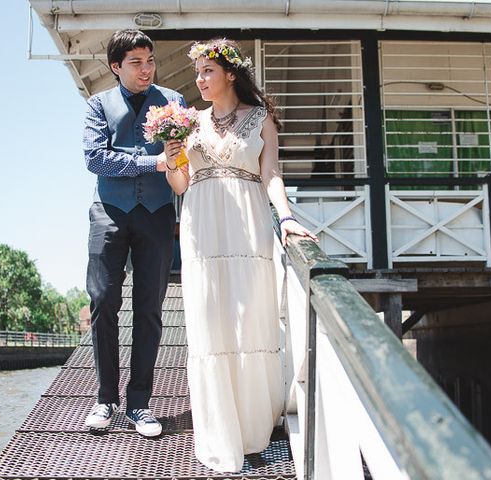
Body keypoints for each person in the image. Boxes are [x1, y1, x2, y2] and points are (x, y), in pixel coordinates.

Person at [164, 39, 317, 472]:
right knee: (210, 323)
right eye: (197, 74)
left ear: (230, 74)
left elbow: (271, 175)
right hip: (202, 230)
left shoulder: (261, 118)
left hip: (248, 227)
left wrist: (285, 219)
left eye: (207, 71)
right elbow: (179, 185)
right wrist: (172, 157)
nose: (200, 80)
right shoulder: (187, 122)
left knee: (249, 321)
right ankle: (218, 433)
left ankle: (252, 430)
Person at [82, 29, 186, 437]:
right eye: (136, 63)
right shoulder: (97, 105)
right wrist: (150, 161)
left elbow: (180, 154)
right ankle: (106, 398)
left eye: (151, 61)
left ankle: (139, 403)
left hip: (158, 213)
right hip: (107, 212)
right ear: (116, 67)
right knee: (103, 299)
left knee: (149, 309)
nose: (147, 69)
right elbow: (95, 159)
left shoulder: (174, 103)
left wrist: (155, 159)